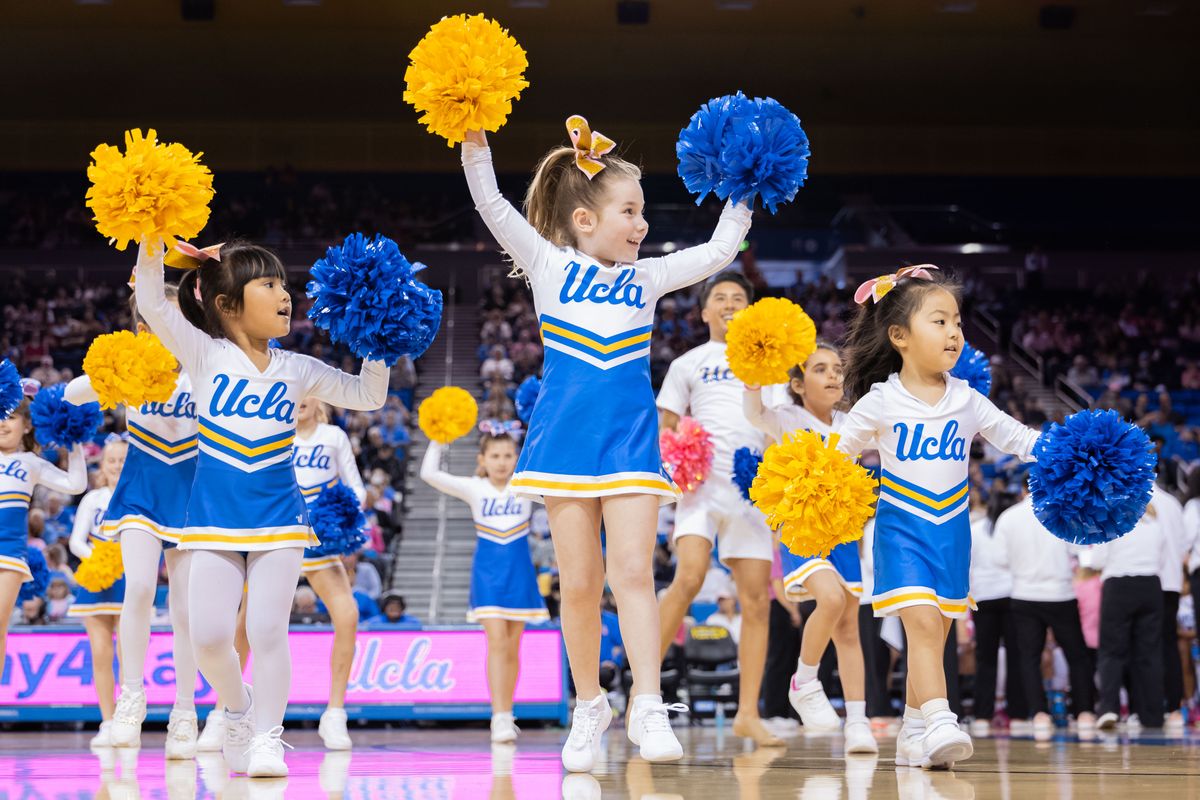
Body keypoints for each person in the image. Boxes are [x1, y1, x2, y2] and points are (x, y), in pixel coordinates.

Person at [460, 117, 752, 771]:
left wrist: (745, 189)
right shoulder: (548, 262)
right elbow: (491, 204)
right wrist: (473, 136)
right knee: (581, 583)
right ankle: (590, 704)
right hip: (563, 442)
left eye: (643, 211)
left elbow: (714, 254)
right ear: (586, 219)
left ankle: (646, 700)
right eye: (630, 210)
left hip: (628, 441)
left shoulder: (646, 279)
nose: (642, 224)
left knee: (631, 574)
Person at [135, 237, 389, 778]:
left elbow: (369, 396)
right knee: (208, 638)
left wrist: (377, 341)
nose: (285, 295)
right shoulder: (203, 353)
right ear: (227, 305)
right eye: (268, 285)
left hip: (279, 518)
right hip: (211, 519)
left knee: (270, 630)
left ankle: (270, 738)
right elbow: (154, 303)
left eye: (284, 285)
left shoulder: (298, 367)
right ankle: (239, 706)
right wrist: (150, 234)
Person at [837, 265, 1041, 769]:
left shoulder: (968, 400)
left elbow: (1020, 440)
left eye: (957, 322)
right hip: (899, 532)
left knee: (936, 634)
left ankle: (912, 730)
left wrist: (1079, 451)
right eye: (939, 321)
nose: (954, 332)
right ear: (900, 336)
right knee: (924, 627)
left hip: (951, 534)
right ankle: (943, 721)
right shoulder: (879, 401)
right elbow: (834, 456)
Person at [65, 285, 203, 758]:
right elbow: (72, 393)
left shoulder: (203, 366)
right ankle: (131, 697)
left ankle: (185, 712)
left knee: (185, 608)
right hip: (141, 489)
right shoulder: (128, 367)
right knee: (140, 588)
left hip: (188, 495)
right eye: (151, 317)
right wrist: (116, 369)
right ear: (142, 325)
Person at [655, 271, 783, 748]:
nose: (730, 304)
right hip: (700, 488)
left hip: (752, 493)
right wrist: (676, 468)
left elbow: (780, 428)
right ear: (705, 311)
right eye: (720, 298)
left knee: (756, 602)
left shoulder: (770, 367)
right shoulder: (689, 363)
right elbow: (666, 426)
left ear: (749, 310)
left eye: (738, 298)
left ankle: (747, 713)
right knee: (687, 578)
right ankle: (645, 695)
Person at [744, 342, 876, 753]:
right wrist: (754, 375)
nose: (835, 375)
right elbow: (753, 412)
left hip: (843, 532)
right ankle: (804, 679)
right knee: (831, 600)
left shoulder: (851, 421)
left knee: (850, 629)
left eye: (838, 368)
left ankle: (857, 722)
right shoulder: (785, 418)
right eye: (821, 369)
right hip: (800, 531)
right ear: (798, 384)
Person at [420, 423, 548, 743]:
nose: (502, 462)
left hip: (520, 574)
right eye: (495, 455)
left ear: (517, 457)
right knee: (497, 642)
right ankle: (499, 716)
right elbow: (429, 474)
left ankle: (508, 711)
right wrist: (438, 440)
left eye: (508, 455)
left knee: (514, 647)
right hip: (488, 574)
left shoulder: (526, 485)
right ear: (482, 459)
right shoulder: (474, 488)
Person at [290, 396, 367, 750]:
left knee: (347, 615)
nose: (300, 399)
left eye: (308, 391)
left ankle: (334, 714)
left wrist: (339, 516)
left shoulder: (333, 436)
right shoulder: (273, 432)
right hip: (281, 536)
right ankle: (224, 712)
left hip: (321, 539)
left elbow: (357, 489)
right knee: (247, 622)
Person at [0, 396, 86, 698]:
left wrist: (74, 440)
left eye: (10, 417)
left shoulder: (31, 463)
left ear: (26, 426)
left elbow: (76, 484)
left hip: (8, 553)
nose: (3, 423)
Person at [991, 489, 1093, 734]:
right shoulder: (1065, 512)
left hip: (1024, 595)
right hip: (1060, 594)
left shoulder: (1009, 517)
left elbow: (999, 559)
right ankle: (1085, 712)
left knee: (1029, 658)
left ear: (1025, 490)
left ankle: (1038, 714)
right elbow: (1082, 554)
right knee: (1076, 656)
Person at [1078, 490, 1170, 730]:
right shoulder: (1154, 523)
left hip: (1118, 585)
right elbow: (1163, 558)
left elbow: (1097, 560)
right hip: (1150, 585)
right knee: (1149, 653)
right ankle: (1153, 715)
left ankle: (1109, 708)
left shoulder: (1110, 522)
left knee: (1111, 652)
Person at [67, 438, 128, 747]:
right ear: (102, 464)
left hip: (129, 578)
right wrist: (99, 559)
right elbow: (75, 541)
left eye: (122, 460)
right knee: (101, 654)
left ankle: (127, 722)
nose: (117, 465)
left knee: (128, 656)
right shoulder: (93, 499)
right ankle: (107, 721)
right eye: (112, 460)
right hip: (97, 577)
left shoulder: (138, 496)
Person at [966, 488, 1027, 735]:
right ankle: (1019, 713)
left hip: (984, 597)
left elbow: (968, 565)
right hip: (1012, 595)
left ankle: (982, 714)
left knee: (985, 658)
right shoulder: (1016, 528)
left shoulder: (976, 529)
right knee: (1016, 656)